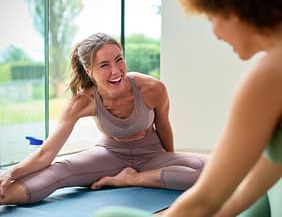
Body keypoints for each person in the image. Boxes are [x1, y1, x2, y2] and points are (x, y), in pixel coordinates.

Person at [79, 0, 282, 217]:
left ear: (238, 3)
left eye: (211, 15)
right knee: (260, 185)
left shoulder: (270, 76)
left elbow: (205, 199)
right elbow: (249, 189)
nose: (215, 32)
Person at [0, 32, 207, 205]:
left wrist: (167, 164)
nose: (116, 71)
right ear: (89, 71)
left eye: (119, 59)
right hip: (109, 155)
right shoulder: (82, 102)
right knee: (58, 172)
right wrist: (13, 172)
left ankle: (131, 179)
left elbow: (163, 126)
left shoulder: (152, 88)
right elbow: (46, 154)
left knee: (210, 171)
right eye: (104, 65)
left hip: (152, 155)